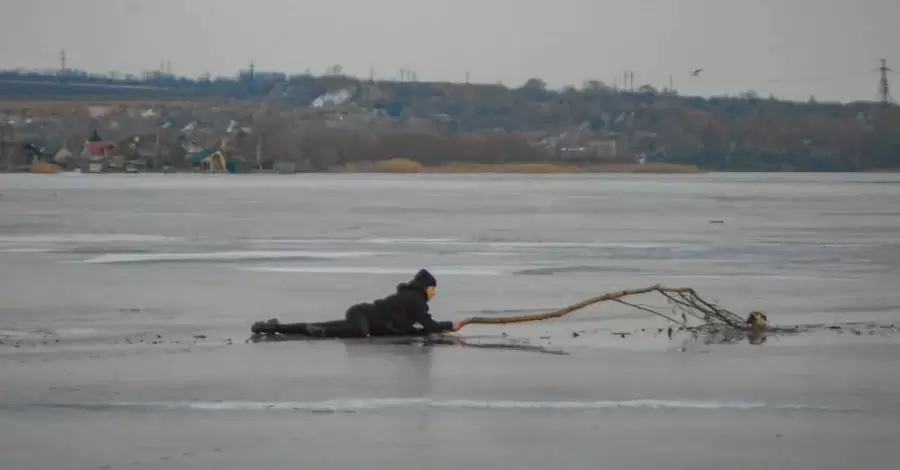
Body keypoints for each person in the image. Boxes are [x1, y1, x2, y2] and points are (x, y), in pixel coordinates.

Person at [251, 268, 459, 338]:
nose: (434, 294)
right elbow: (428, 325)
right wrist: (451, 326)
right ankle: (313, 332)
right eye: (433, 289)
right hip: (361, 314)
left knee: (324, 324)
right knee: (355, 331)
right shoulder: (415, 300)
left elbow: (414, 328)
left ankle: (274, 327)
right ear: (426, 288)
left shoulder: (414, 299)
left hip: (362, 316)